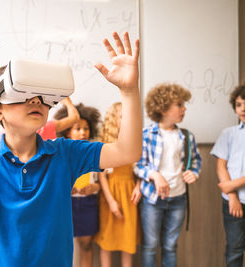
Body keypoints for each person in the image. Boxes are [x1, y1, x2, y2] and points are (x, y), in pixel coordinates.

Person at [0, 29, 142, 266]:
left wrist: (129, 91)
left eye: (42, 96)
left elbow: (128, 151)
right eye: (22, 94)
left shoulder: (66, 154)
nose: (36, 101)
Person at [133, 83, 202, 267]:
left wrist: (193, 173)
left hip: (178, 199)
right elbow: (137, 165)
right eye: (179, 104)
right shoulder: (147, 135)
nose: (184, 108)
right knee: (150, 246)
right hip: (152, 201)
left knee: (170, 246)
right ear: (163, 108)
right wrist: (155, 175)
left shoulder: (187, 136)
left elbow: (195, 160)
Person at [54, 103, 101, 267]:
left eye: (86, 128)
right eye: (78, 128)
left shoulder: (95, 151)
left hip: (88, 204)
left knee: (86, 244)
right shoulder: (59, 152)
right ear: (67, 131)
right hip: (66, 205)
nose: (83, 132)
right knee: (62, 245)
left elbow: (100, 181)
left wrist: (95, 188)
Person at [94, 102, 141, 267]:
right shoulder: (106, 144)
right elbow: (102, 176)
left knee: (127, 241)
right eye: (122, 117)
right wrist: (112, 202)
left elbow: (141, 168)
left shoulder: (134, 141)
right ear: (113, 119)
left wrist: (138, 186)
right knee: (107, 239)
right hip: (110, 196)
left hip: (129, 195)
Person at [210, 84, 245, 267]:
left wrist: (233, 184)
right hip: (233, 202)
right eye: (239, 105)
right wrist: (232, 195)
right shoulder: (228, 134)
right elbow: (221, 166)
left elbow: (229, 182)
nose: (243, 109)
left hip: (233, 189)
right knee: (235, 248)